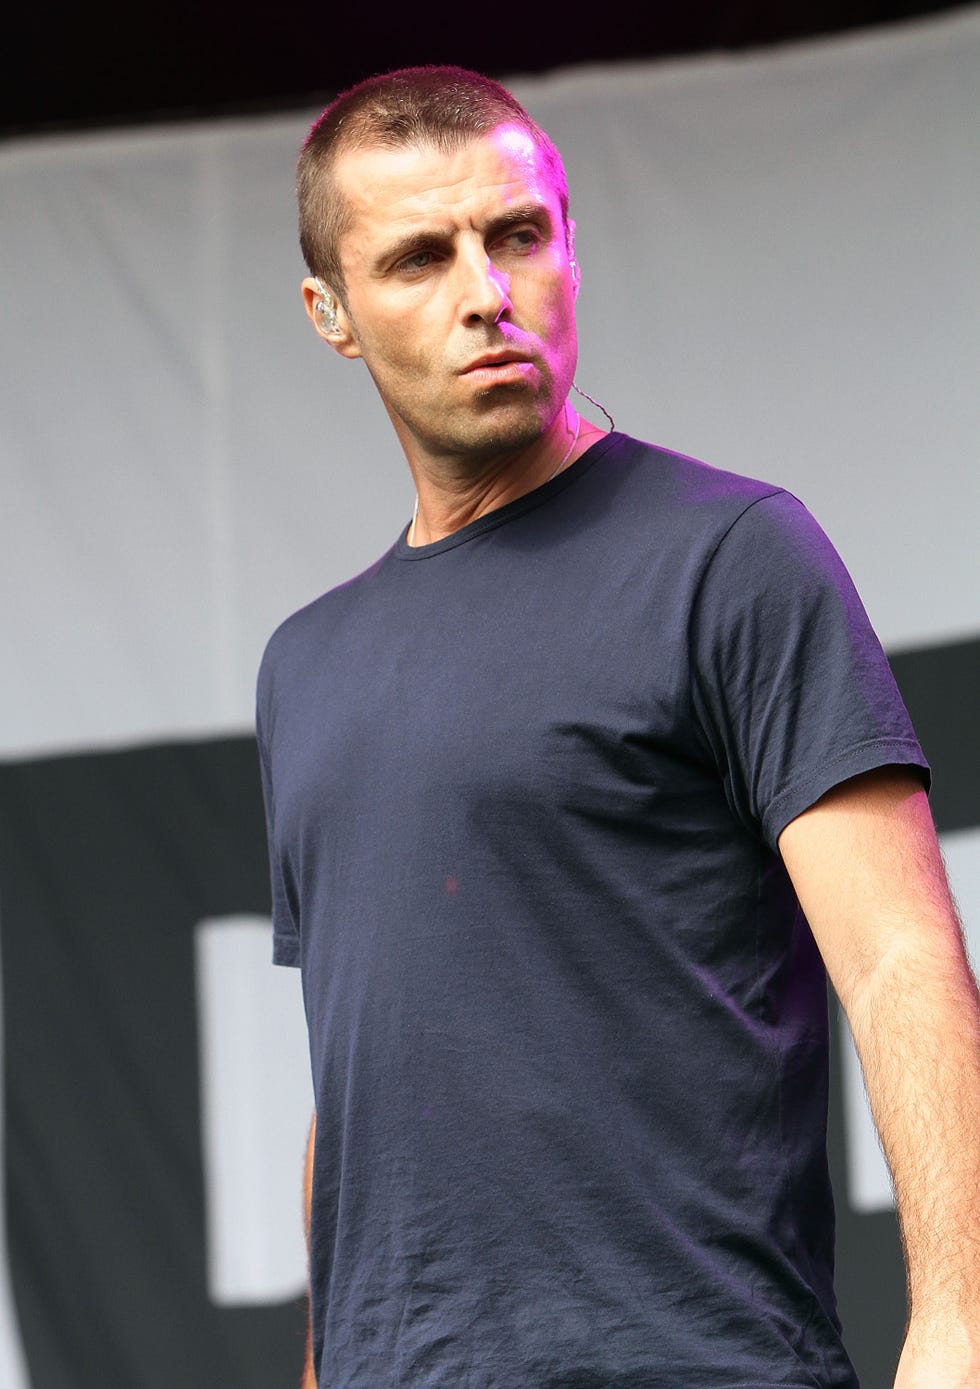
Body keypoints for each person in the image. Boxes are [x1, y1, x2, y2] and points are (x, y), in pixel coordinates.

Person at [256, 65, 980, 1389]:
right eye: (420, 257)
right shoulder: (303, 665)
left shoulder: (732, 554)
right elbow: (355, 1069)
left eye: (518, 235)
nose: (488, 291)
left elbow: (898, 959)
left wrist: (961, 1328)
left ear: (570, 247)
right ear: (333, 313)